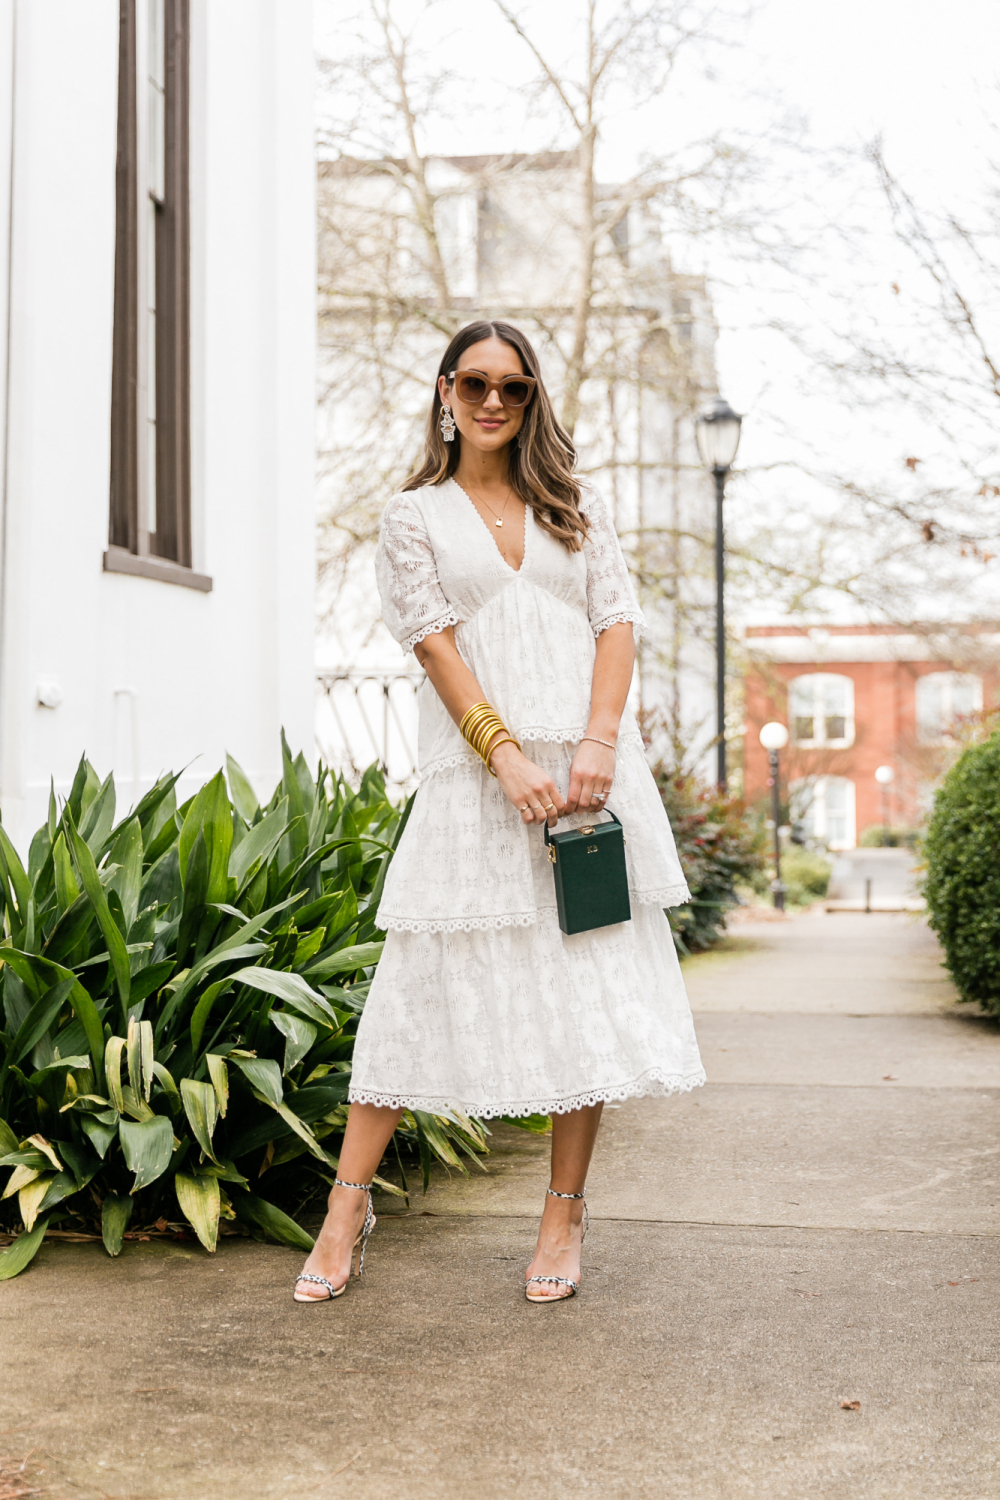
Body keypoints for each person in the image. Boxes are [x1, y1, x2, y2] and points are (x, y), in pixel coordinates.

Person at [295, 320, 704, 1306]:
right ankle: (347, 1205)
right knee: (415, 989)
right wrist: (506, 755)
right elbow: (436, 647)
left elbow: (616, 623)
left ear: (531, 400)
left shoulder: (575, 505)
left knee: (586, 995)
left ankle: (564, 1212)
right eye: (474, 382)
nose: (491, 401)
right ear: (444, 391)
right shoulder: (413, 515)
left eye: (512, 387)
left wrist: (597, 744)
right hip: (480, 778)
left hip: (586, 782)